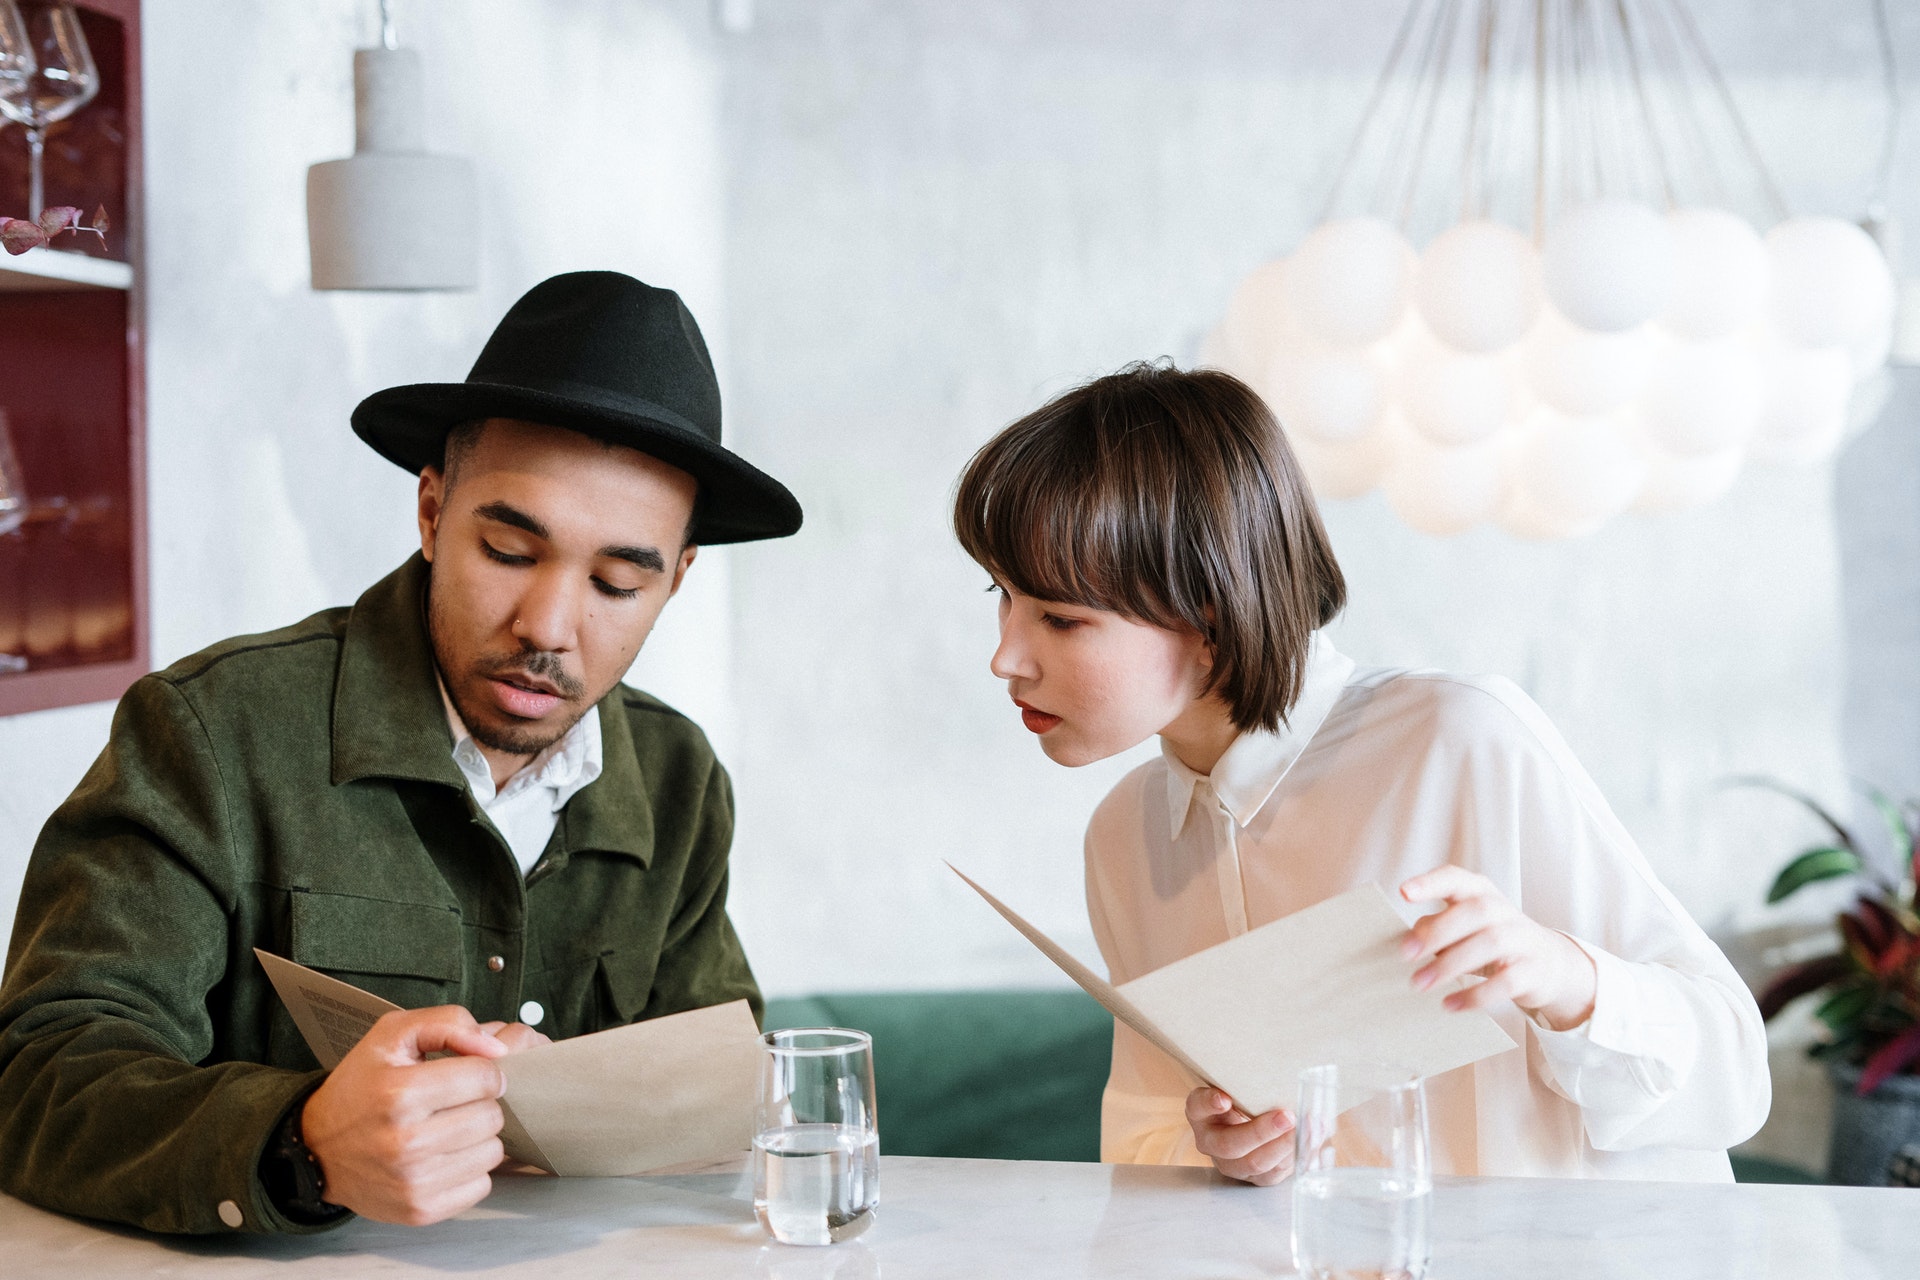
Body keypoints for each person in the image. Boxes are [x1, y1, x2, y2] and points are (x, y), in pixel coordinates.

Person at [0, 272, 802, 1234]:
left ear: (675, 582)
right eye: (508, 551)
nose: (548, 625)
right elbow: (41, 1072)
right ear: (430, 514)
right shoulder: (213, 731)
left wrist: (581, 1103)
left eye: (618, 583)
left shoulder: (680, 781)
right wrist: (300, 1143)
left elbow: (718, 1095)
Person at [951, 361, 1770, 1185]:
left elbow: (1734, 1076)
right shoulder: (1125, 837)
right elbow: (1143, 1143)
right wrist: (1220, 1151)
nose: (1005, 657)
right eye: (1003, 597)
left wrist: (1564, 977)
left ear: (1206, 608)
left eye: (1060, 617)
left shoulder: (1460, 740)